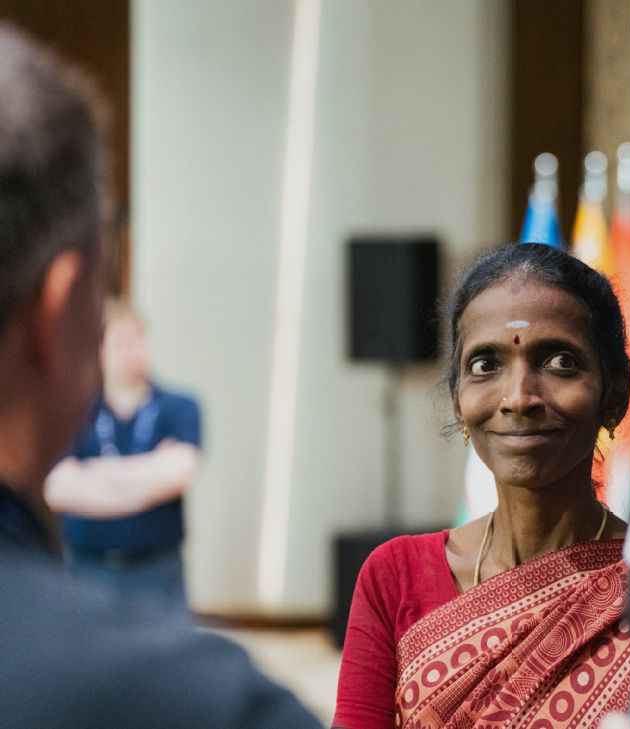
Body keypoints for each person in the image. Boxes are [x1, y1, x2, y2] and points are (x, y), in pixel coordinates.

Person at [0, 23, 322, 727]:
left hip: (154, 574)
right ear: (59, 315)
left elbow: (164, 473)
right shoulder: (197, 703)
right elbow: (77, 484)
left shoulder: (179, 404)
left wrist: (98, 485)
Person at [333, 243, 630, 729]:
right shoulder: (394, 577)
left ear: (614, 396)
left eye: (559, 362)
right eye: (485, 365)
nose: (518, 398)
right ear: (458, 401)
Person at [45, 299, 202, 612]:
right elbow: (57, 488)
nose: (132, 352)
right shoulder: (73, 412)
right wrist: (149, 473)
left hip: (157, 572)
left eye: (138, 339)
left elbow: (178, 473)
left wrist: (91, 474)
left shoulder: (180, 407)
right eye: (120, 344)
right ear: (100, 352)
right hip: (85, 571)